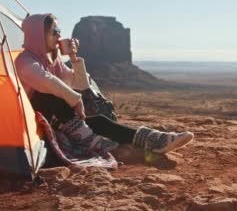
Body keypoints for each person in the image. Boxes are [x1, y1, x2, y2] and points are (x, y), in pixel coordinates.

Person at [14, 13, 193, 158]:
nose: (59, 35)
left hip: (60, 120)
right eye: (54, 32)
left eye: (59, 30)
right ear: (39, 35)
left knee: (99, 121)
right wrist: (75, 100)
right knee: (47, 95)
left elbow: (81, 84)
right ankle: (92, 141)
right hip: (34, 124)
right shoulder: (25, 61)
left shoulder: (53, 61)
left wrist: (74, 59)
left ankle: (155, 140)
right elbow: (47, 82)